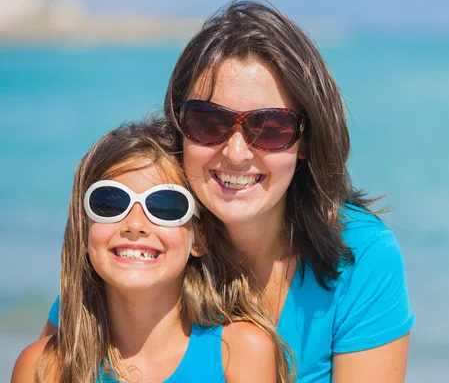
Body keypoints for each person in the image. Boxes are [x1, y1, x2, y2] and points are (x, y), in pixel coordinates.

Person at [41, 0, 415, 382]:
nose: (236, 153)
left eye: (270, 128)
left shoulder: (360, 256)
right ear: (180, 127)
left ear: (306, 140)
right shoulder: (147, 244)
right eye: (208, 122)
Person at [13, 120, 292, 382]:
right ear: (83, 229)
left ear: (200, 237)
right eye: (110, 203)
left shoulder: (240, 351)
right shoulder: (43, 367)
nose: (135, 224)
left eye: (166, 206)